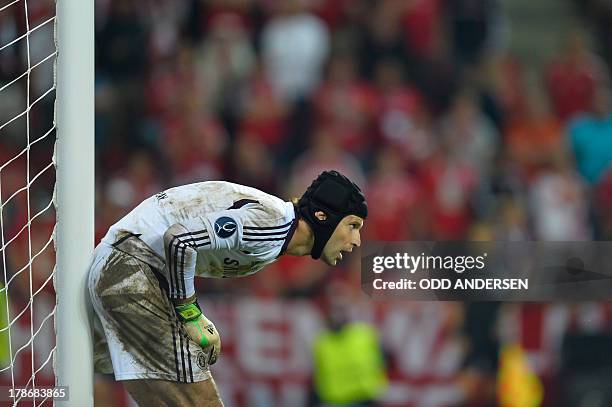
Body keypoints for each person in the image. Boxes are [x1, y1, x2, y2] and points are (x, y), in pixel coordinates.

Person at [88, 170, 367, 406]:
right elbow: (180, 240)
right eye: (352, 225)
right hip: (132, 266)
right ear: (321, 216)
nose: (356, 240)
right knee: (204, 400)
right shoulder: (273, 224)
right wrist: (191, 314)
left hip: (124, 266)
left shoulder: (276, 232)